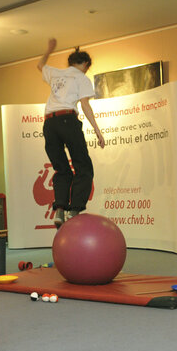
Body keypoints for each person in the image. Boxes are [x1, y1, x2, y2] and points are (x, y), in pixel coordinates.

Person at [37, 38, 105, 227]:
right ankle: (74, 210)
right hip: (68, 120)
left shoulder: (56, 73)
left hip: (49, 124)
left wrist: (49, 49)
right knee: (83, 166)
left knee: (61, 169)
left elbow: (40, 65)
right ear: (85, 64)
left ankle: (59, 210)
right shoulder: (82, 78)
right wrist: (98, 132)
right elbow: (85, 105)